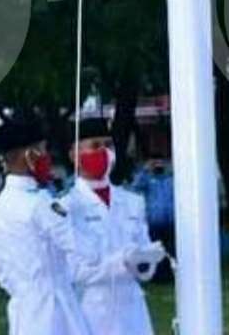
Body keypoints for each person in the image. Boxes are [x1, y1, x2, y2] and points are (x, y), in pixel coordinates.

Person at [0, 116, 116, 335]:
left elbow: (1, 269)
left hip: (22, 310)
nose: (47, 157)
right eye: (43, 150)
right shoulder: (41, 203)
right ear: (30, 156)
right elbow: (88, 251)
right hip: (55, 309)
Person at [60, 117, 164, 335]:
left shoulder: (132, 202)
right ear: (74, 155)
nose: (104, 152)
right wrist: (119, 263)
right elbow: (73, 270)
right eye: (95, 146)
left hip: (133, 306)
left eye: (108, 145)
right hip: (92, 308)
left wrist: (147, 258)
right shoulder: (66, 207)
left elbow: (143, 255)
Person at [130, 155, 175, 283]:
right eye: (156, 164)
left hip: (170, 221)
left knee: (170, 250)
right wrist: (145, 170)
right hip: (154, 221)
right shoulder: (148, 180)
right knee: (156, 250)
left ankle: (170, 276)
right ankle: (157, 276)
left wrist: (170, 169)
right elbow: (134, 187)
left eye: (161, 163)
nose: (158, 166)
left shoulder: (170, 179)